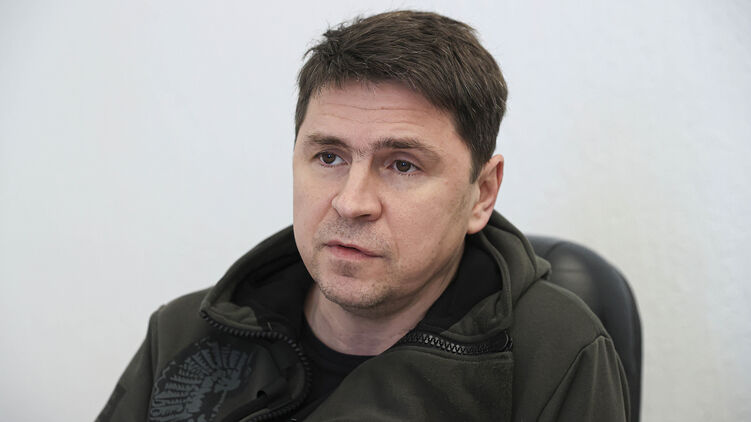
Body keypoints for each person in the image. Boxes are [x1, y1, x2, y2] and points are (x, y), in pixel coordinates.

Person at [97, 10, 629, 422]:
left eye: (402, 165)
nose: (352, 202)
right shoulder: (183, 333)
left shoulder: (557, 353)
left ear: (482, 194)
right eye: (329, 157)